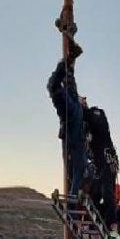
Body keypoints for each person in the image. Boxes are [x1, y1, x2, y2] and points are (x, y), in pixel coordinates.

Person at [47, 41, 87, 199]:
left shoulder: (77, 107)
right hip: (72, 117)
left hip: (71, 117)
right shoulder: (78, 104)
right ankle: (70, 58)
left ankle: (70, 59)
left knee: (55, 87)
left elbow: (79, 166)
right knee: (61, 85)